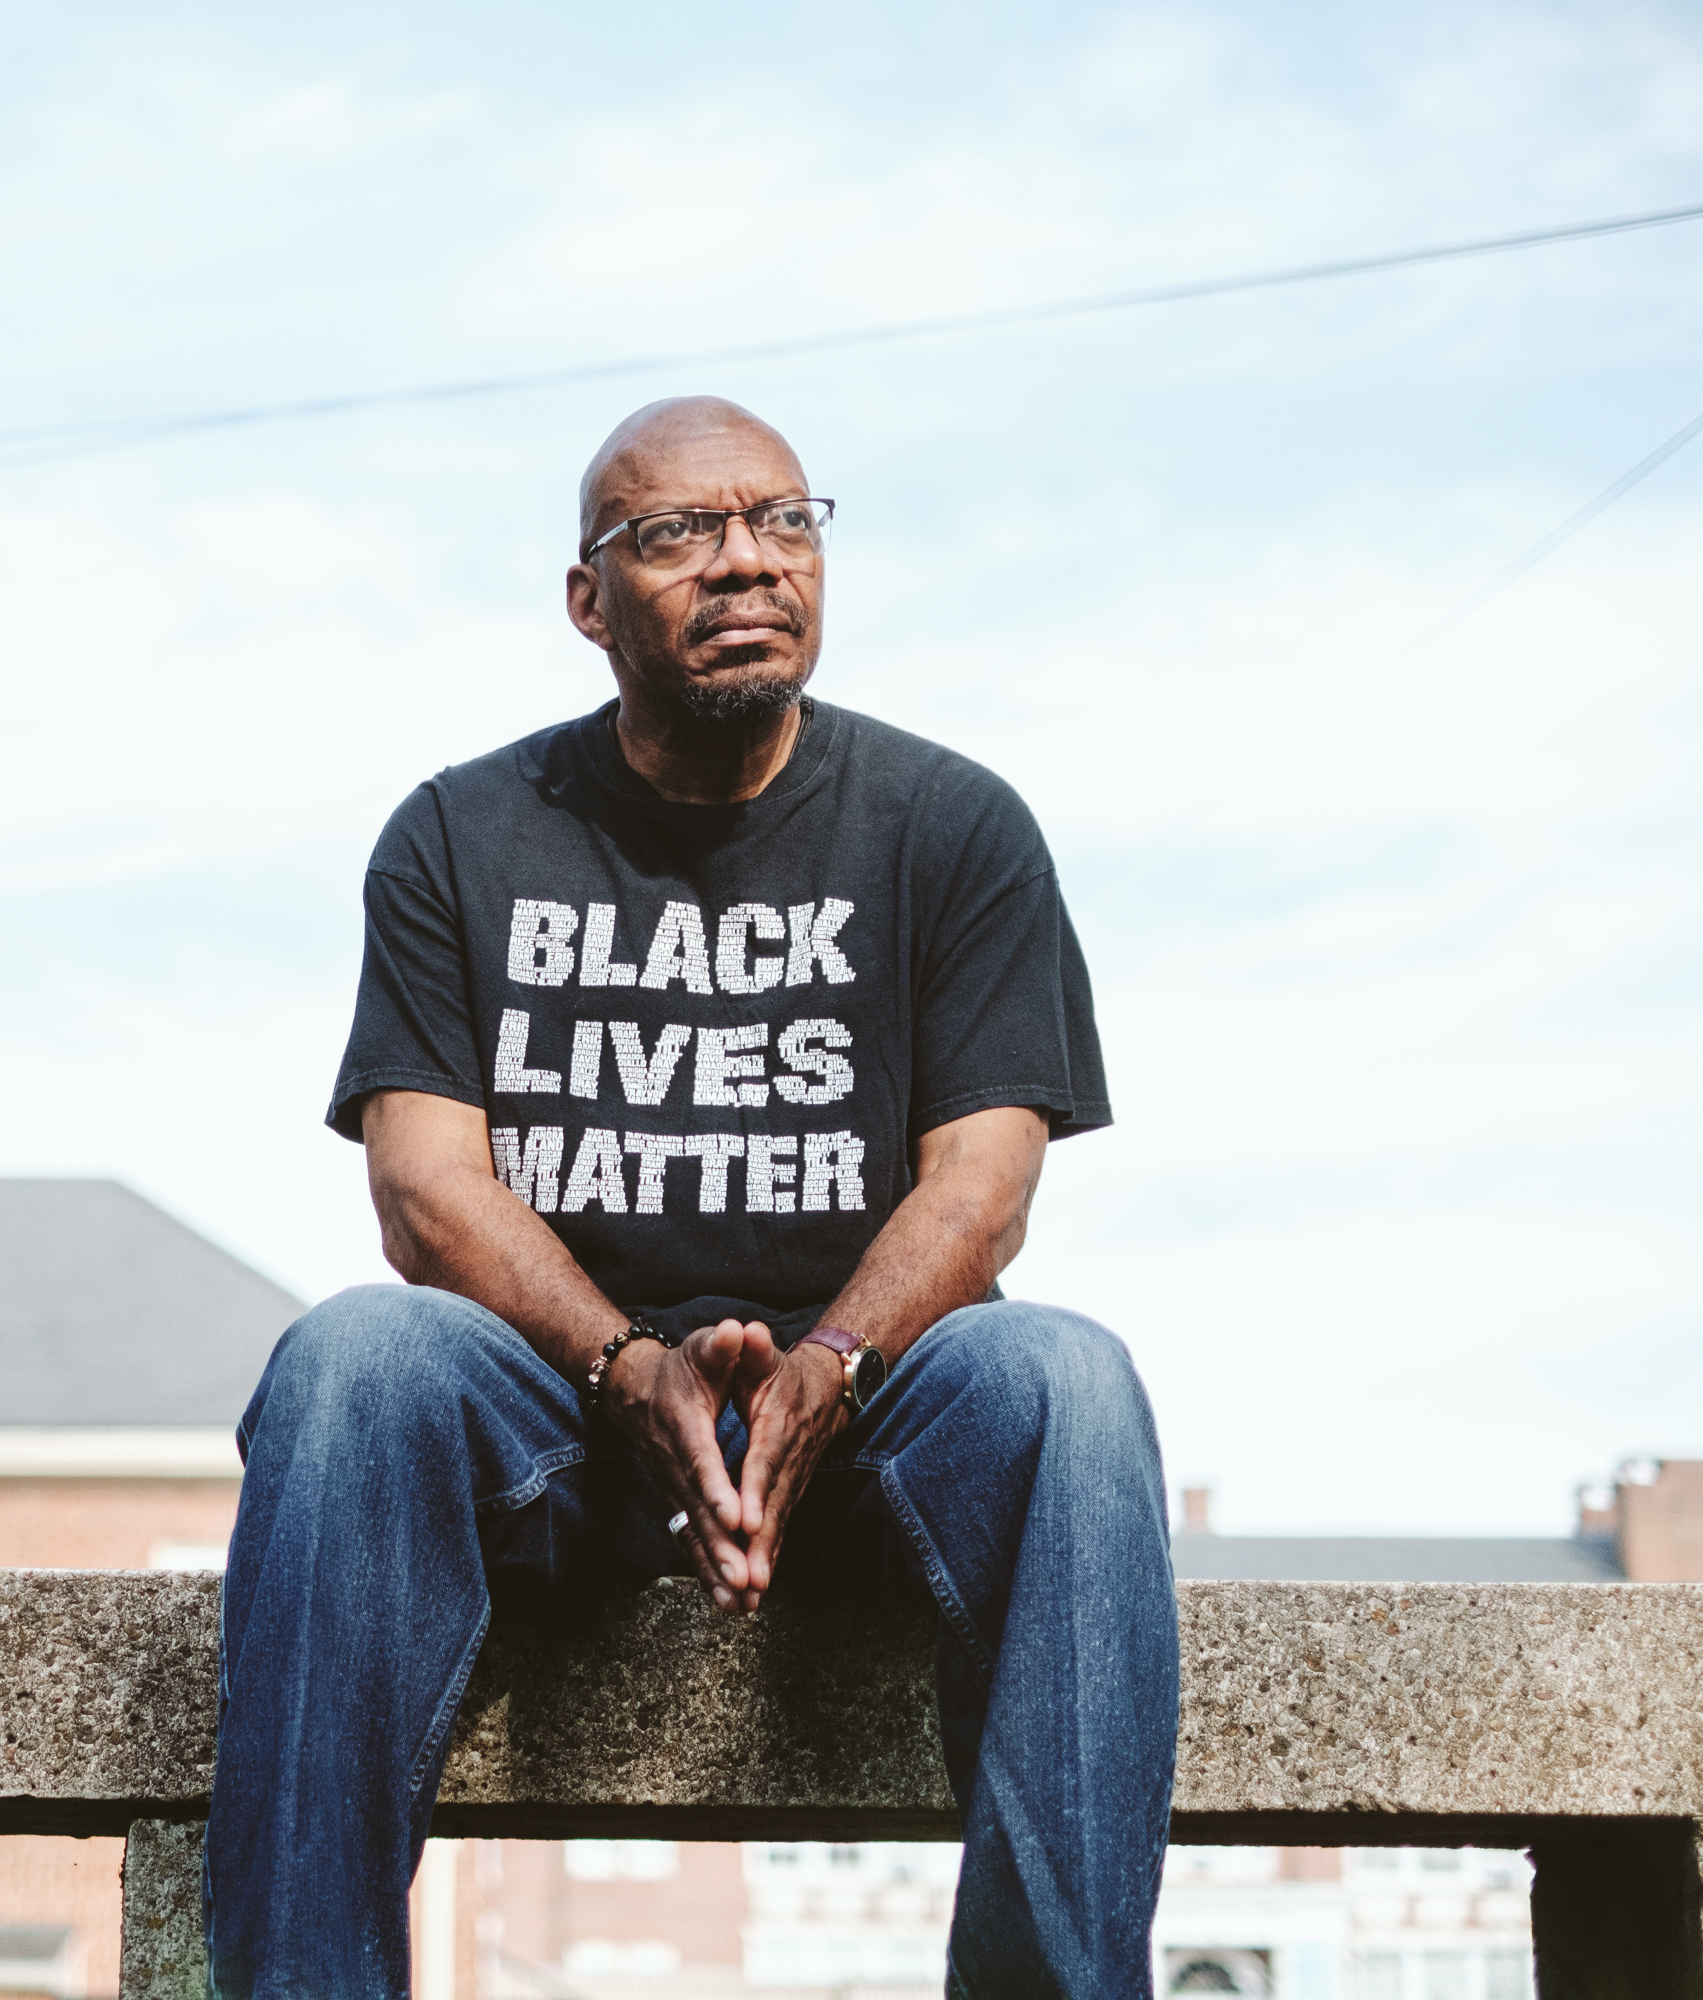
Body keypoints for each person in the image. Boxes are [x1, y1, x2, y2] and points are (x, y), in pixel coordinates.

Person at [207, 395, 1176, 2000]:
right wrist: (622, 1365)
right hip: (560, 1429)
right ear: (588, 599)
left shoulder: (953, 826)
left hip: (870, 1427)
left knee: (1066, 1378)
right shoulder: (461, 835)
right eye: (679, 533)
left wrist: (834, 1366)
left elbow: (989, 1184)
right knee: (355, 1364)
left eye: (784, 522)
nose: (745, 562)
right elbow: (425, 1191)